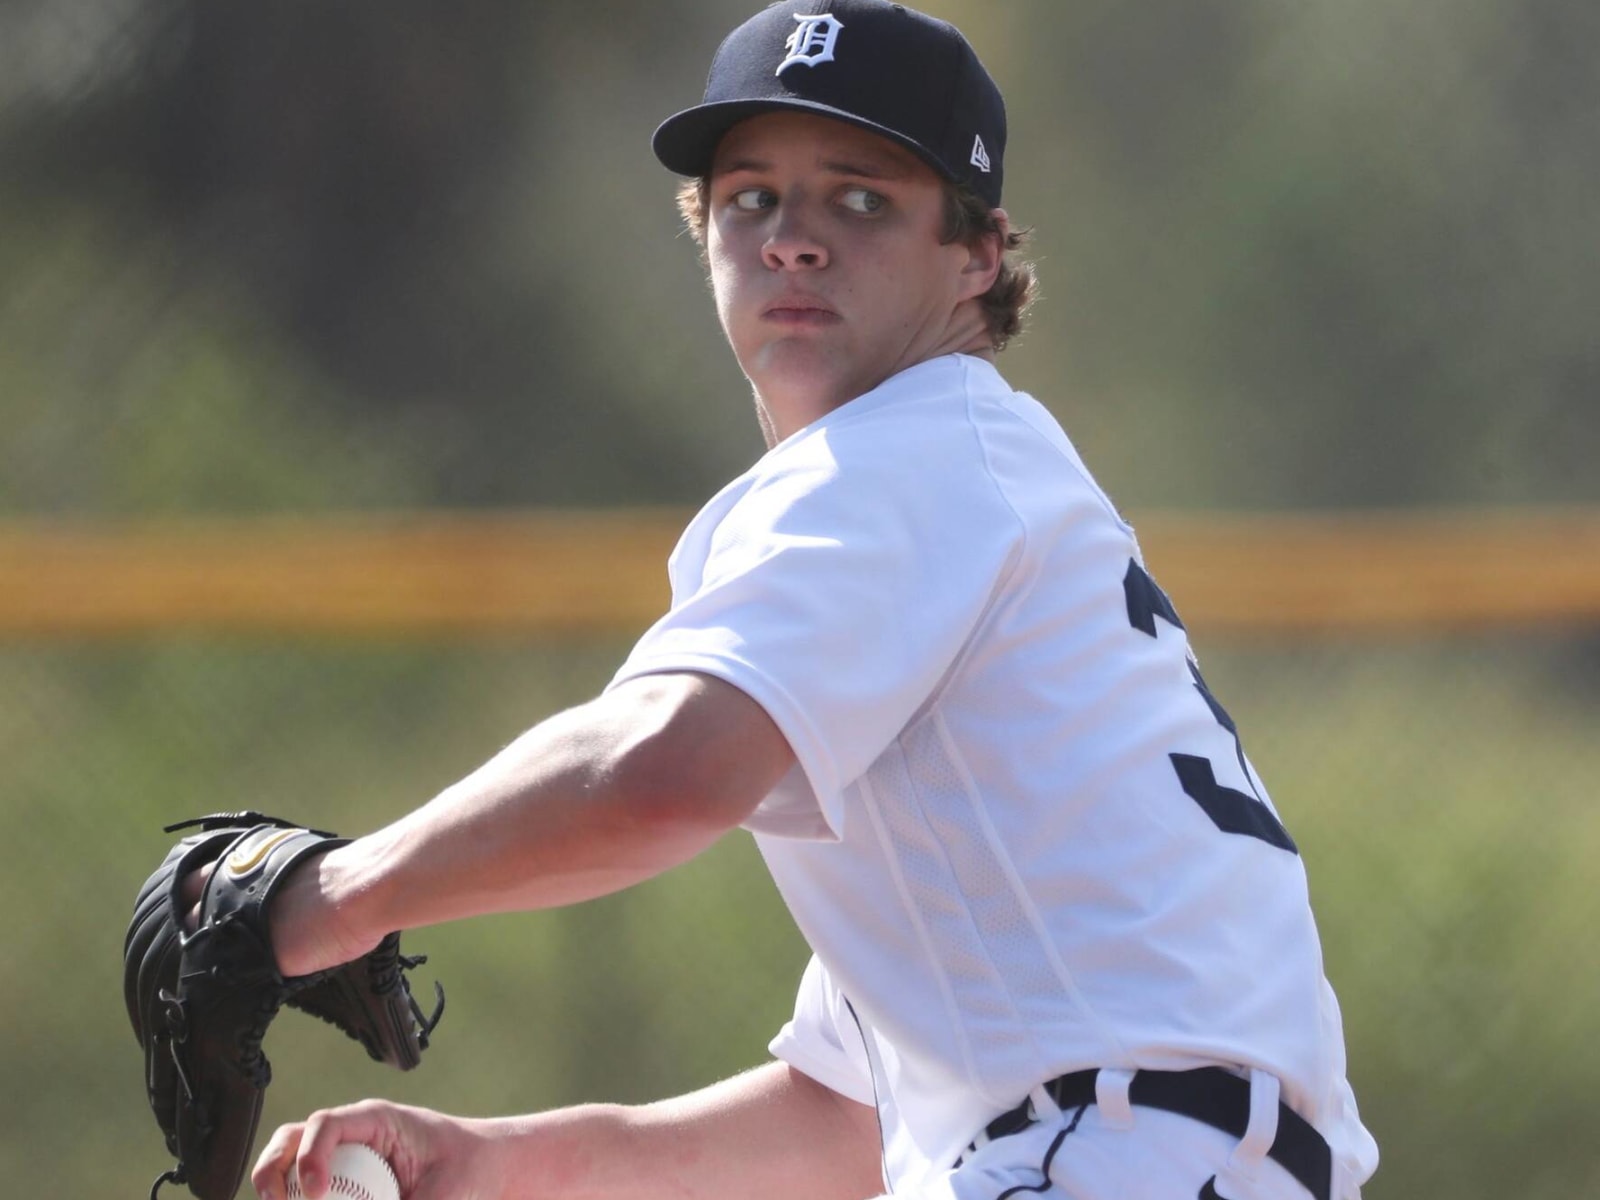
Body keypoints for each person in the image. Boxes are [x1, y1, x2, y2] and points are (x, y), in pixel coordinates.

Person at [245, 4, 1379, 1199]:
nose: (792, 239)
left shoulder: (905, 453)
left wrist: (327, 900)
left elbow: (663, 769)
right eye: (751, 199)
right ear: (706, 233)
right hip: (1150, 1154)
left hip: (1106, 1154)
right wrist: (497, 1160)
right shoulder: (967, 498)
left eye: (860, 198)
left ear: (979, 252)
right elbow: (848, 1120)